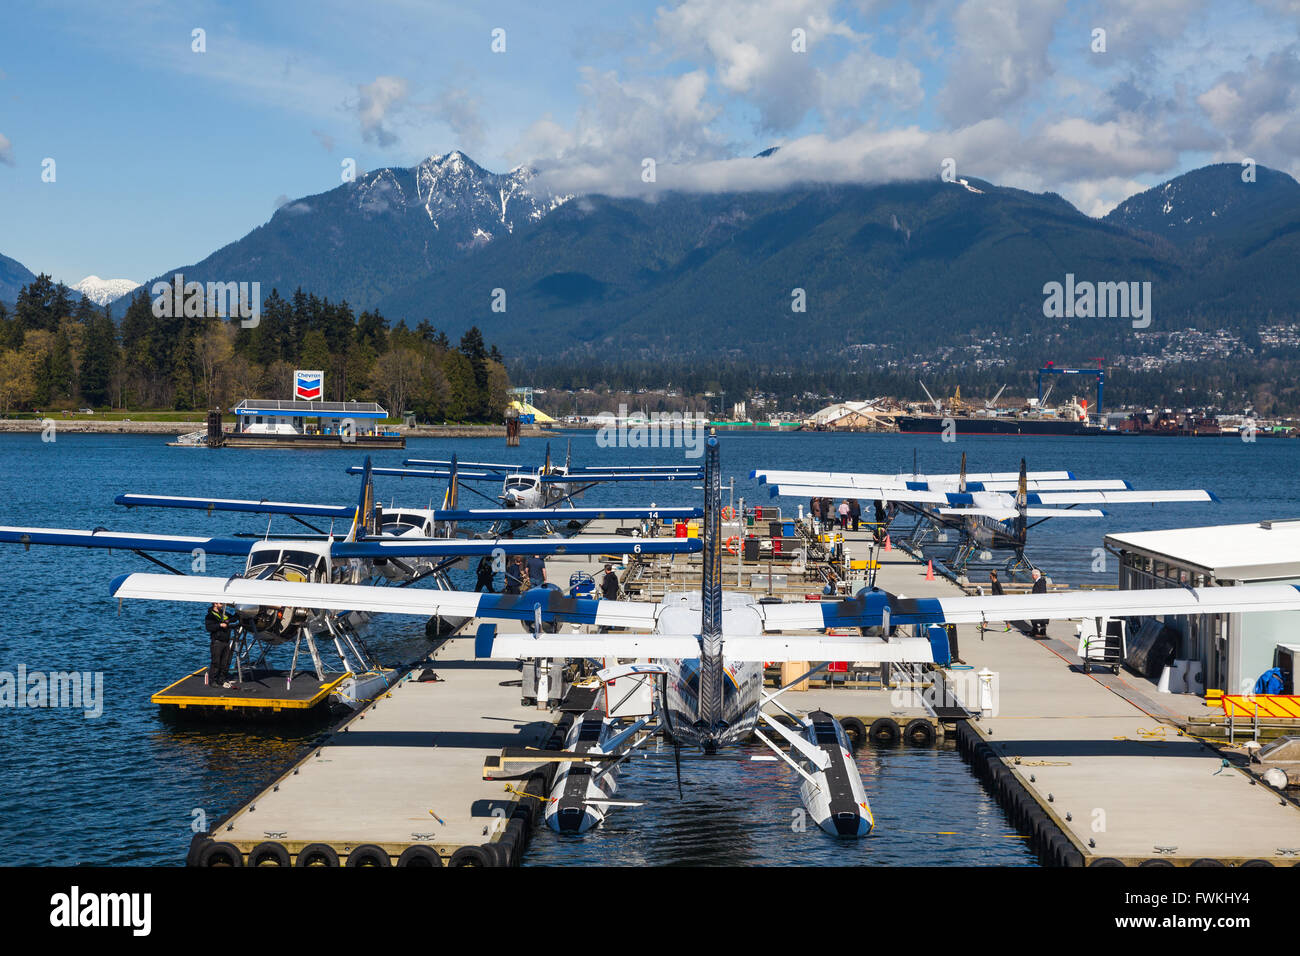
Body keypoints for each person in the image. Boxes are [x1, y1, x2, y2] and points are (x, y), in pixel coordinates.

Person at [205, 601, 236, 688]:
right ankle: (213, 681)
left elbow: (233, 618)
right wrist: (220, 625)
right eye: (221, 603)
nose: (222, 605)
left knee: (225, 662)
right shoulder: (210, 616)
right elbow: (208, 627)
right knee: (216, 662)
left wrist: (230, 619)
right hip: (217, 642)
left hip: (226, 641)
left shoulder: (224, 613)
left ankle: (221, 679)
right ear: (215, 604)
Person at [1030, 569, 1047, 635]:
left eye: (1032, 575)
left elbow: (1042, 592)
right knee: (1036, 617)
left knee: (1039, 617)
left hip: (1039, 602)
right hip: (1037, 602)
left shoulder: (1041, 582)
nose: (1032, 576)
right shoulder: (1039, 581)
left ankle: (1040, 630)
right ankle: (1036, 629)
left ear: (1035, 575)